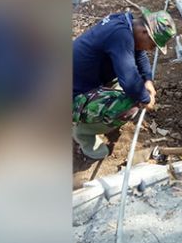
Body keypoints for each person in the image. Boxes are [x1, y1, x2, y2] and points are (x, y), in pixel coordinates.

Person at [72, 8, 176, 159]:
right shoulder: (121, 36)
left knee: (135, 87)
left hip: (85, 80)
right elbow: (129, 81)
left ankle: (95, 116)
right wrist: (146, 99)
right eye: (153, 45)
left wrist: (148, 80)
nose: (151, 49)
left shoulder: (124, 22)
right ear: (144, 32)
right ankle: (83, 132)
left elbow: (139, 55)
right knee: (131, 105)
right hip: (74, 95)